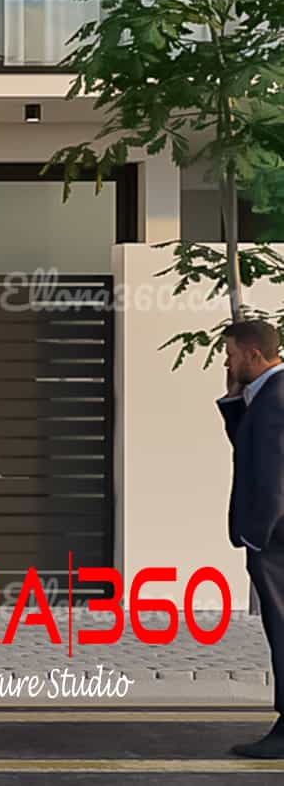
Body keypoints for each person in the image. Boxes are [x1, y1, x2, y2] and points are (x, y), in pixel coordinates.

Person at [221, 317, 284, 759]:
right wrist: (231, 400)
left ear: (251, 355)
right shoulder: (264, 396)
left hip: (277, 541)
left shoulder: (277, 399)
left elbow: (272, 474)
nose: (226, 361)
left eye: (230, 353)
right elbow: (249, 447)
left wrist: (259, 536)